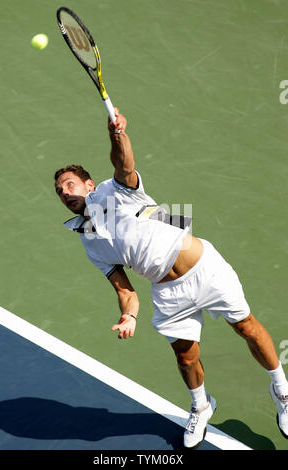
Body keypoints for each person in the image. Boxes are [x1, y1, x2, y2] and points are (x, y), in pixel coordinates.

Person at [54, 108, 288, 448]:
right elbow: (125, 290)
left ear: (88, 184)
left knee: (246, 326)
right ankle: (201, 406)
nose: (65, 193)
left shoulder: (113, 191)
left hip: (204, 267)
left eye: (70, 184)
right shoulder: (88, 242)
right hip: (167, 292)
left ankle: (282, 392)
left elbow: (124, 164)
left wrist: (116, 133)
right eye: (60, 192)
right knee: (185, 356)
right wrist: (129, 316)